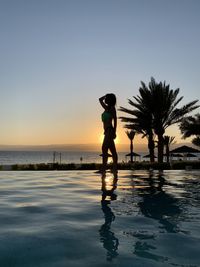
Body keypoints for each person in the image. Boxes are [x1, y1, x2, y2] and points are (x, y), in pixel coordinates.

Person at [99, 94, 118, 173]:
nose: (105, 99)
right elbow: (100, 100)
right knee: (112, 150)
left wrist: (114, 131)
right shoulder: (106, 108)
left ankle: (104, 168)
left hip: (110, 130)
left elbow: (115, 119)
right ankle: (114, 168)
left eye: (107, 98)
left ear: (110, 100)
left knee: (104, 148)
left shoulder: (112, 108)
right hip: (106, 131)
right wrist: (105, 95)